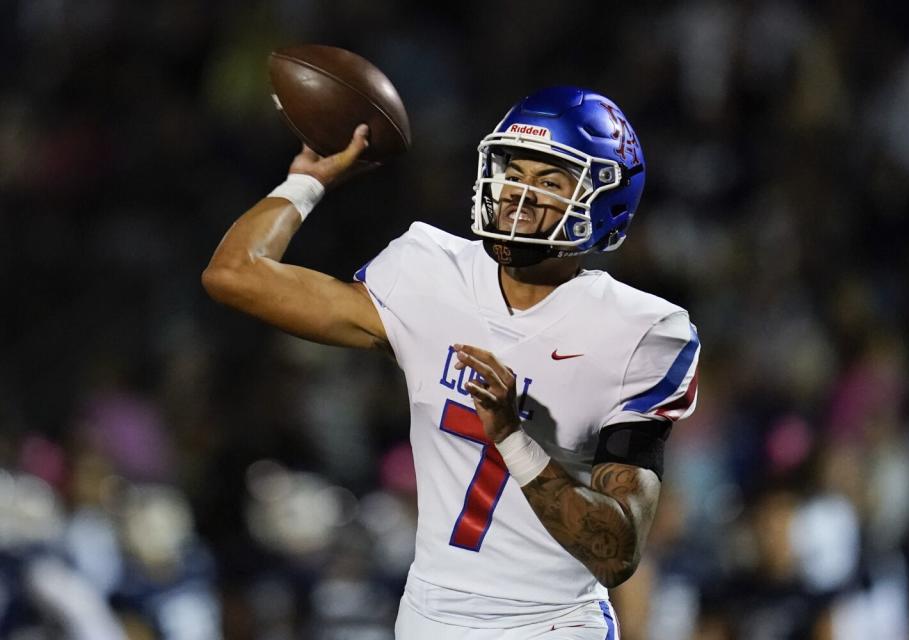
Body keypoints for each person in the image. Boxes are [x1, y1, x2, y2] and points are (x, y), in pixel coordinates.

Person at [203, 86, 700, 639]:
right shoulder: (427, 271)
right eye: (515, 170)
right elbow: (235, 273)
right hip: (427, 617)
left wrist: (513, 437)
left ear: (603, 200)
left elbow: (616, 553)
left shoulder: (640, 331)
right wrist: (308, 180)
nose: (519, 193)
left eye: (550, 180)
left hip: (550, 625)